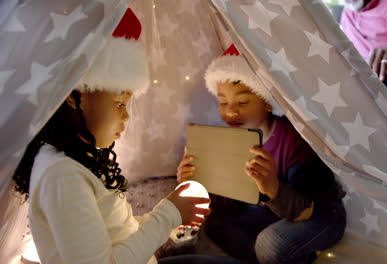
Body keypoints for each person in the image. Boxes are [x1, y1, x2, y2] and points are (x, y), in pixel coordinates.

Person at [12, 8, 239, 264]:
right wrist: (169, 213)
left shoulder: (80, 158)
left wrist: (174, 221)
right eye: (119, 103)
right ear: (75, 95)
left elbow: (122, 234)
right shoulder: (62, 175)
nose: (126, 117)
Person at [177, 44, 346, 264]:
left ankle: (277, 255)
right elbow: (231, 203)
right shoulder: (231, 139)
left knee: (270, 244)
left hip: (317, 211)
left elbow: (305, 210)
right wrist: (196, 181)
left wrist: (272, 187)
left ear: (267, 102)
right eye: (223, 102)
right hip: (270, 213)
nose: (230, 111)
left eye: (243, 102)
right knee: (216, 223)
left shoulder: (294, 139)